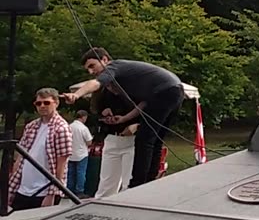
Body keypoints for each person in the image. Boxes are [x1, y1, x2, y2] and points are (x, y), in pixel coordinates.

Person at [63, 48, 183, 189]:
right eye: (88, 69)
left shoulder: (114, 66)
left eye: (92, 66)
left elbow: (94, 84)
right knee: (155, 138)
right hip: (174, 90)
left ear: (105, 60)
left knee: (144, 139)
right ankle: (151, 179)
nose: (91, 71)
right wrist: (124, 118)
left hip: (165, 91)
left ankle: (138, 183)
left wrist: (76, 95)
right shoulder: (132, 79)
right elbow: (143, 104)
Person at [7, 88, 72, 211]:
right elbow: (20, 157)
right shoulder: (31, 126)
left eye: (46, 103)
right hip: (23, 187)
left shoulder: (61, 128)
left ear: (56, 103)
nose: (42, 106)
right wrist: (12, 186)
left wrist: (52, 193)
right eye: (38, 103)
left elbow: (61, 165)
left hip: (43, 190)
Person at [94, 84, 136, 199]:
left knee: (129, 181)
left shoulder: (136, 92)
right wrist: (103, 116)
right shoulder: (103, 94)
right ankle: (101, 205)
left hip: (133, 141)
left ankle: (128, 205)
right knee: (106, 182)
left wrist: (137, 126)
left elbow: (152, 115)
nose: (111, 89)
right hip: (111, 138)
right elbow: (96, 115)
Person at [65, 109, 93, 197]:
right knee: (81, 173)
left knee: (70, 173)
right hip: (81, 154)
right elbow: (89, 142)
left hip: (70, 153)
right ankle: (79, 191)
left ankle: (69, 190)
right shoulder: (83, 128)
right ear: (84, 117)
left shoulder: (69, 126)